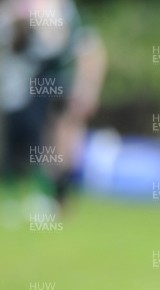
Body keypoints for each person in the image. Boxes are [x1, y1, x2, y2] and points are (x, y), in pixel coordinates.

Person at [0, 0, 106, 222]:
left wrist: (87, 88)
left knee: (61, 140)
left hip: (59, 86)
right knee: (46, 140)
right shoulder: (20, 12)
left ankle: (57, 199)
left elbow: (90, 50)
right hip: (30, 89)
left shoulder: (64, 13)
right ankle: (51, 198)